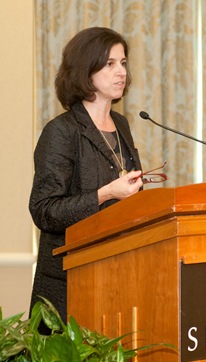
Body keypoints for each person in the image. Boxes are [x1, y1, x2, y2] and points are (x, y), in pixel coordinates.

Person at [29, 27, 144, 324]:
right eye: (110, 64)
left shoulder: (121, 124)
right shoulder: (61, 131)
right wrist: (106, 193)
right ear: (85, 70)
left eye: (123, 63)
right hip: (69, 281)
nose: (121, 72)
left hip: (117, 271)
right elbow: (45, 211)